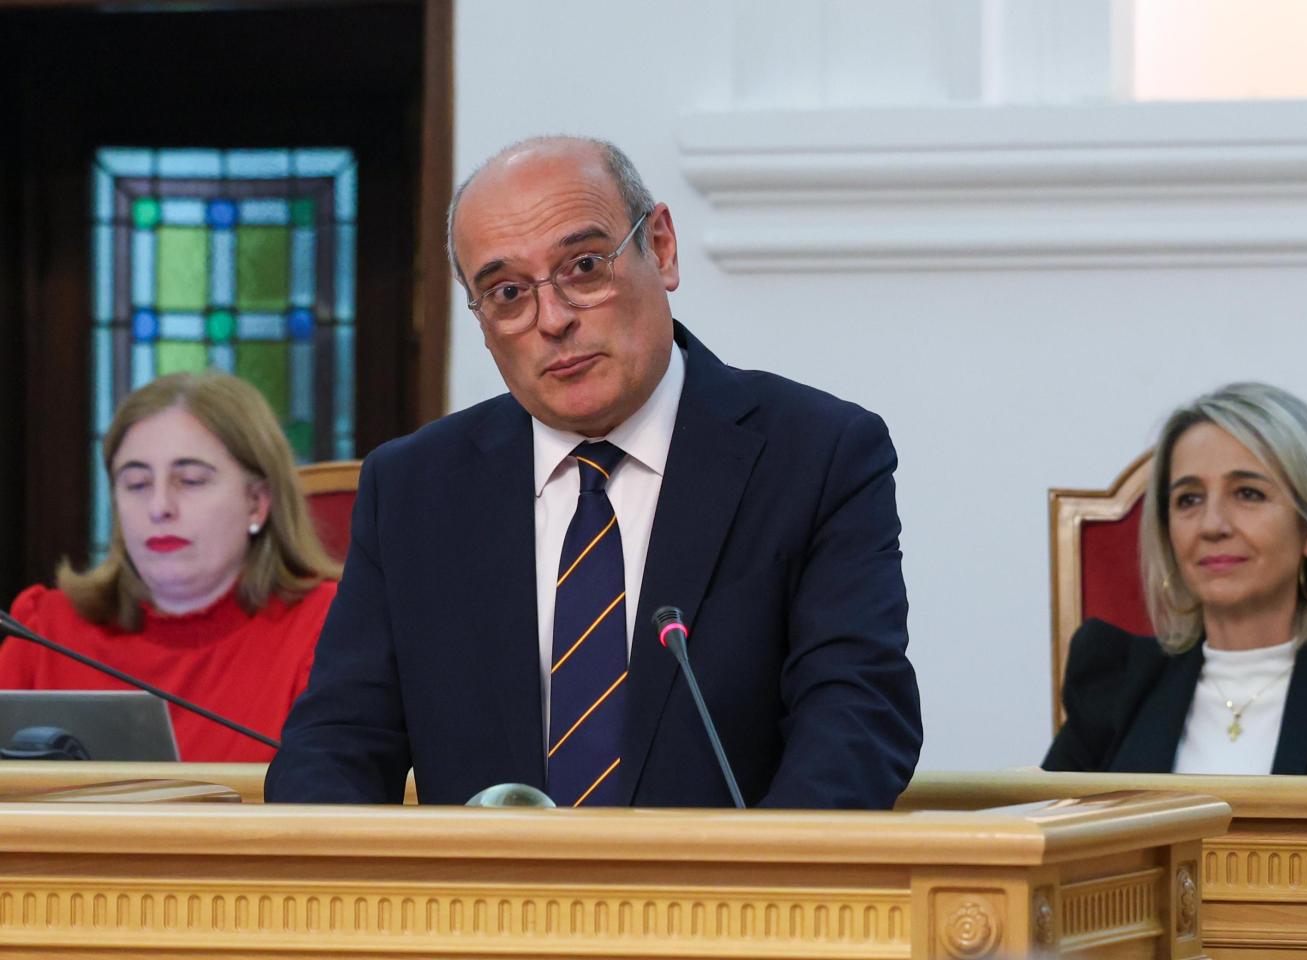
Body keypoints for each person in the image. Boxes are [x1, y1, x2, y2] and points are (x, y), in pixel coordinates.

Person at [265, 136, 922, 808]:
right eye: (508, 292)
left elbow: (856, 717)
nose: (552, 320)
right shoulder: (413, 489)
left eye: (583, 267)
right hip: (482, 908)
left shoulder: (815, 454)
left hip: (726, 903)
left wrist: (760, 898)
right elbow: (339, 740)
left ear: (660, 248)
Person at [1043, 382, 1307, 776]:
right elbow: (1047, 837)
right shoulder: (1112, 685)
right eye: (1189, 499)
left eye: (1248, 494)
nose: (1212, 525)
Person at [0, 372, 341, 761]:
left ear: (257, 502)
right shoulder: (45, 632)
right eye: (137, 484)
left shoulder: (327, 628)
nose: (160, 506)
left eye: (191, 480)